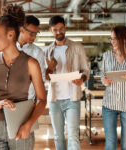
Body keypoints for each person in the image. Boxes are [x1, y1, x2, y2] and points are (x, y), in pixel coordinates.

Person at [0, 4, 46, 150]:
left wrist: (28, 125)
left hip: (21, 127)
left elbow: (42, 99)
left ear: (10, 34)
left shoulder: (31, 63)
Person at [45, 15, 90, 150]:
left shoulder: (77, 47)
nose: (59, 32)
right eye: (55, 30)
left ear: (65, 27)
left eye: (61, 28)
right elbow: (44, 77)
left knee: (73, 135)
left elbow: (85, 70)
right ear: (50, 31)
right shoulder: (47, 51)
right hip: (54, 99)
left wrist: (81, 79)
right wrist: (50, 68)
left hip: (72, 98)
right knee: (58, 136)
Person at [17, 15, 45, 100]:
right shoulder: (7, 48)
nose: (34, 37)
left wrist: (36, 103)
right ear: (21, 29)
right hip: (7, 101)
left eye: (36, 33)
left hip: (28, 100)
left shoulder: (38, 53)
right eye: (32, 33)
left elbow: (41, 80)